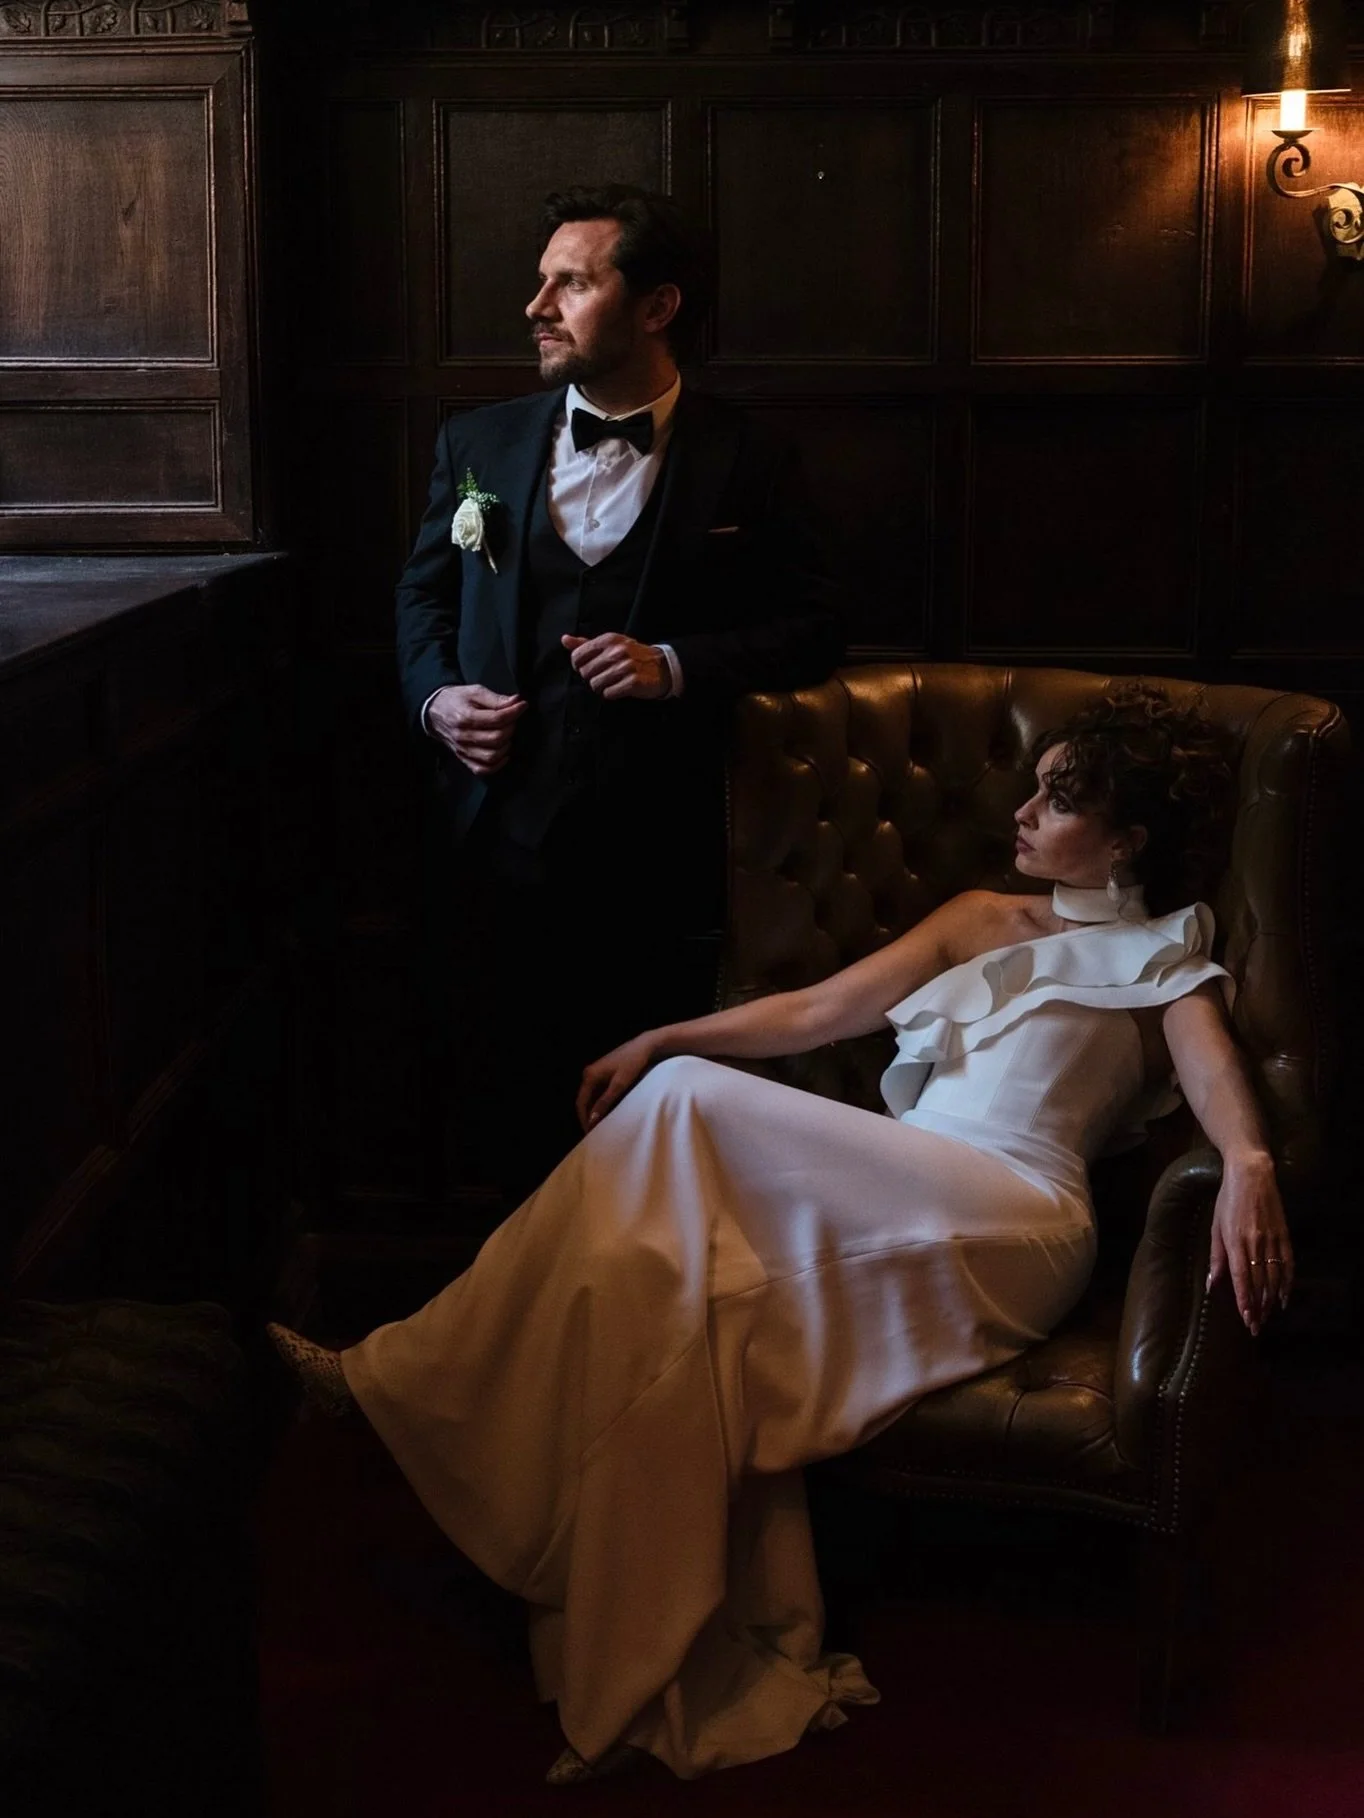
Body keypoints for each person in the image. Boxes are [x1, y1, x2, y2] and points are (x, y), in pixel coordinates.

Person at [270, 685, 1293, 1783]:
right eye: (1032, 790)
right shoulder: (974, 916)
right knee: (659, 1281)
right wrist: (665, 1029)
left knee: (680, 1102)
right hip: (910, 1185)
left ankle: (408, 1375)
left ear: (1125, 840)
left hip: (1018, 1218)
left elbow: (1212, 1071)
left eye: (1057, 804)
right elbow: (817, 1012)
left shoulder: (1165, 959)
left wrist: (1246, 1161)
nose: (1023, 814)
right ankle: (636, 1666)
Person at [396, 183, 844, 1197]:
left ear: (656, 308)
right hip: (490, 842)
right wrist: (437, 702)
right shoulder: (478, 446)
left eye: (571, 283)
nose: (535, 306)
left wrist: (675, 665)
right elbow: (421, 601)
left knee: (645, 1125)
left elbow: (816, 627)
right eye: (541, 281)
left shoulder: (752, 456)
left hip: (664, 855)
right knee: (499, 1110)